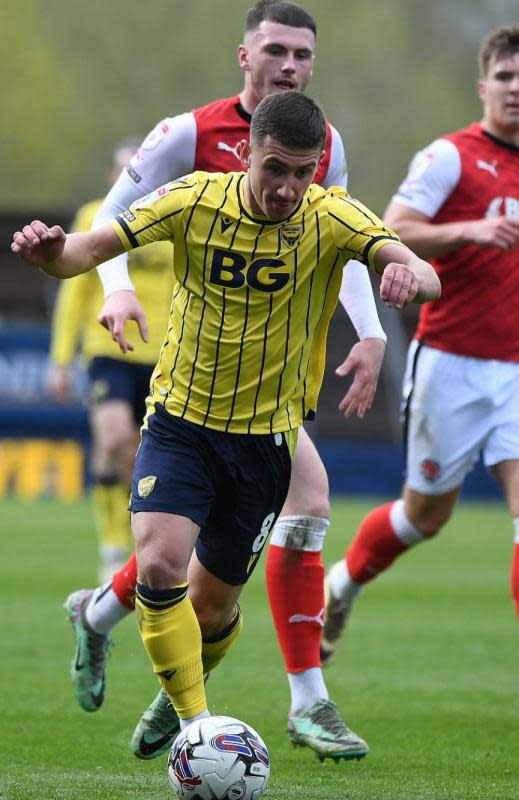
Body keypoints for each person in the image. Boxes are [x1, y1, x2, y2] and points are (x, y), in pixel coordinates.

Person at [12, 91, 439, 755]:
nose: (289, 188)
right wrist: (49, 254)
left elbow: (424, 270)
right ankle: (197, 730)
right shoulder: (194, 200)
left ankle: (148, 670)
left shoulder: (332, 215)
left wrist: (410, 277)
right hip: (180, 422)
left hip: (266, 442)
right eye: (276, 169)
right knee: (159, 565)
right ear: (248, 154)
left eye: (303, 172)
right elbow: (86, 251)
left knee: (213, 611)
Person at [62, 0, 388, 761]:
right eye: (275, 50)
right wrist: (114, 287)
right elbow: (113, 218)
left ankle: (103, 622)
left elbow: (338, 237)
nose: (290, 65)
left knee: (207, 572)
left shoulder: (319, 144)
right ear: (244, 56)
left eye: (303, 55)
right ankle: (307, 702)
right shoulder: (186, 135)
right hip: (192, 374)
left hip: (273, 385)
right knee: (280, 512)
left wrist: (370, 333)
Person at [319, 25, 519, 711]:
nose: (516, 89)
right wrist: (464, 231)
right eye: (504, 77)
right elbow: (392, 227)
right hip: (450, 363)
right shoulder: (449, 157)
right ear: (484, 87)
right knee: (423, 517)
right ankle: (340, 586)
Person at [48, 140, 174, 584]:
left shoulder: (169, 218)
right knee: (114, 436)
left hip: (162, 353)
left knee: (140, 457)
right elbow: (73, 293)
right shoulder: (92, 217)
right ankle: (112, 546)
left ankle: (137, 549)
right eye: (124, 170)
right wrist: (60, 359)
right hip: (106, 349)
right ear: (112, 176)